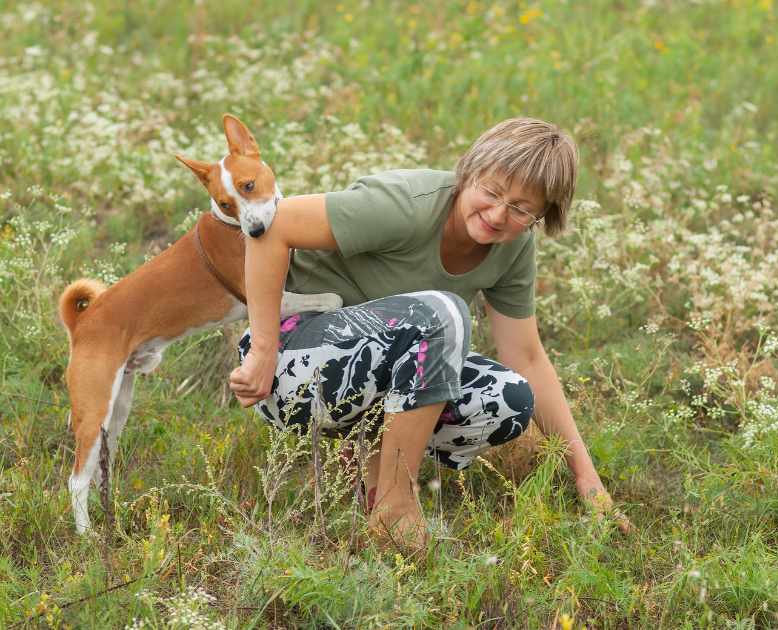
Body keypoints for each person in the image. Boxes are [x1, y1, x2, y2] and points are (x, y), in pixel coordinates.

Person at [229, 117, 621, 548]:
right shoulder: (406, 203)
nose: (497, 215)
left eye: (521, 209)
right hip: (289, 367)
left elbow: (527, 357)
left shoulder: (513, 247)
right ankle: (393, 505)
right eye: (490, 192)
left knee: (509, 399)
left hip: (364, 370)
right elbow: (273, 226)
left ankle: (369, 460)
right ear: (467, 173)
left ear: (542, 215)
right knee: (444, 312)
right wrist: (264, 347)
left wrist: (587, 478)